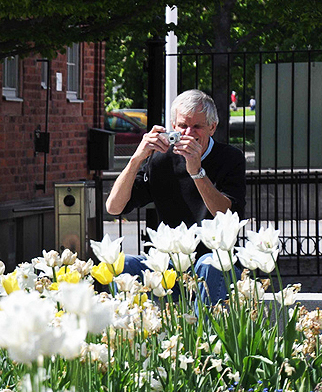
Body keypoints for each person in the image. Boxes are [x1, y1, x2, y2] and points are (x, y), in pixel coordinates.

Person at [105, 89, 246, 304]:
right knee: (122, 265)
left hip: (214, 262)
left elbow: (227, 213)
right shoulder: (161, 160)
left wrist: (196, 172)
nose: (188, 133)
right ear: (173, 127)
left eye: (197, 126)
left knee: (210, 264)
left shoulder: (230, 158)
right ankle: (131, 333)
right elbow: (114, 207)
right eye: (182, 126)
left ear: (212, 127)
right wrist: (136, 158)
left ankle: (205, 337)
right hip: (170, 263)